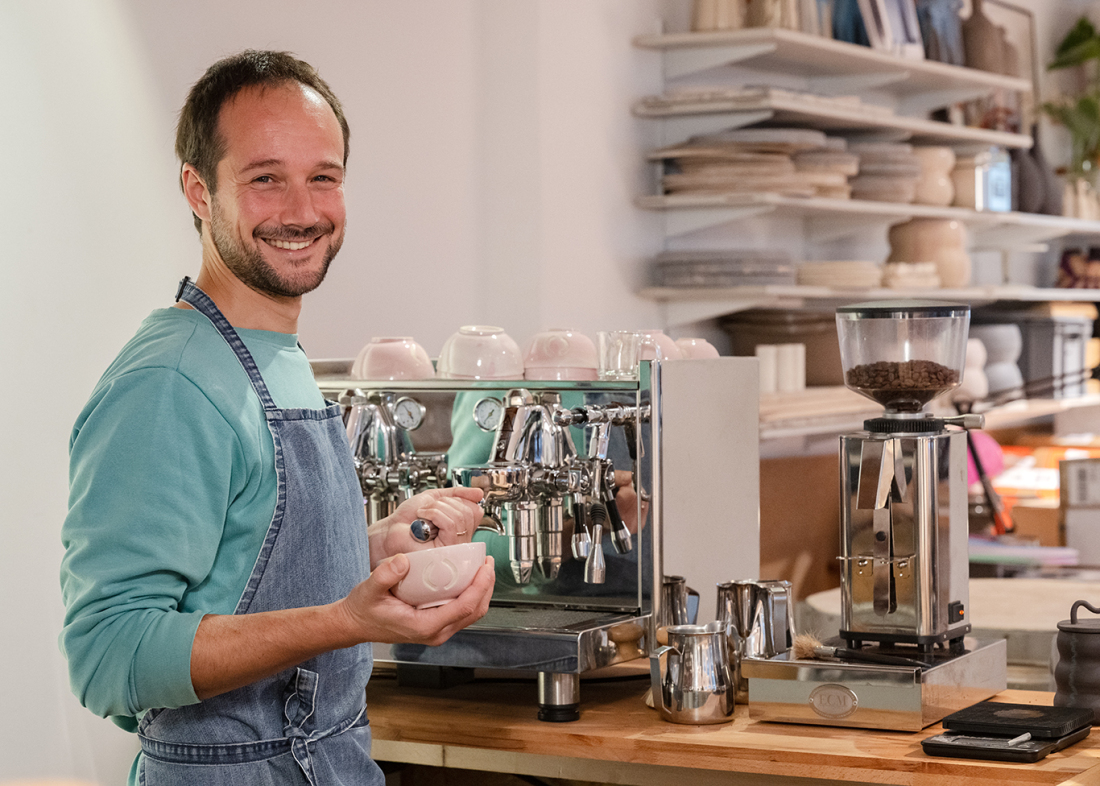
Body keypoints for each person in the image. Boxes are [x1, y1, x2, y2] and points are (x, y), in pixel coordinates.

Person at [59, 50, 495, 786]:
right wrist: (346, 621)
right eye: (265, 179)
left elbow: (239, 568)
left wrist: (377, 547)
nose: (302, 211)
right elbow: (109, 654)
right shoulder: (169, 381)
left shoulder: (271, 355)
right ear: (199, 190)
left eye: (322, 177)